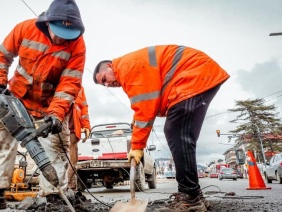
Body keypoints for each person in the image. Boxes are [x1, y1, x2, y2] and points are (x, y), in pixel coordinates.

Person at [0, 0, 85, 209]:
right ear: (47, 23)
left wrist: (57, 115)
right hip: (16, 99)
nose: (61, 39)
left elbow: (70, 84)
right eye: (58, 32)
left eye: (67, 36)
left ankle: (55, 199)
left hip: (48, 107)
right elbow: (2, 55)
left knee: (55, 148)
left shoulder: (77, 45)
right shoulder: (25, 29)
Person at [93, 45, 229, 212]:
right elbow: (147, 103)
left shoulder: (127, 68)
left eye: (104, 79)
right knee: (177, 132)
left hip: (193, 75)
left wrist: (136, 147)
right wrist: (136, 120)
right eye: (103, 84)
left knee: (176, 132)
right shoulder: (128, 67)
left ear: (109, 66)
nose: (107, 84)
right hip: (195, 74)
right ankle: (193, 194)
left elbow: (145, 108)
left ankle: (190, 197)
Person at [67, 86, 91, 190]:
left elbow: (84, 108)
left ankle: (71, 188)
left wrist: (86, 126)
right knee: (59, 157)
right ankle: (61, 189)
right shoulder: (57, 79)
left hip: (73, 127)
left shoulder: (80, 88)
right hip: (57, 127)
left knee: (73, 160)